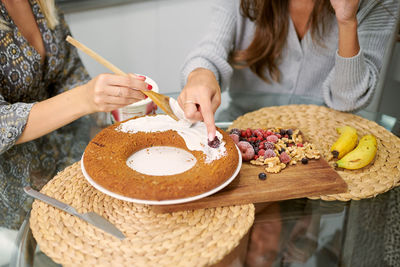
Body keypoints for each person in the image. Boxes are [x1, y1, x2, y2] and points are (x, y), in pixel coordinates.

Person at [0, 0, 151, 229]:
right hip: (12, 192)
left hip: (60, 169)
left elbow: (69, 74)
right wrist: (84, 98)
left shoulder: (42, 3)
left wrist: (112, 103)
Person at [178, 0, 399, 141]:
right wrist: (200, 74)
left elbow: (348, 99)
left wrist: (346, 20)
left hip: (324, 144)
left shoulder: (379, 4)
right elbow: (210, 49)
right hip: (241, 130)